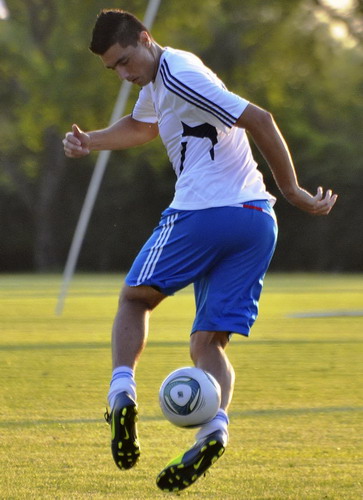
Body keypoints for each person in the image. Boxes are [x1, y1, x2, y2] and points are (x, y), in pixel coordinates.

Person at [63, 9, 337, 493]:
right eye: (114, 70)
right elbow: (144, 126)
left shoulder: (179, 71)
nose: (124, 74)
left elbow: (259, 117)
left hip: (205, 213)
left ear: (145, 39)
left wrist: (293, 190)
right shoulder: (158, 83)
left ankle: (121, 395)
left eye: (126, 61)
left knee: (134, 300)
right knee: (206, 344)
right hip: (255, 223)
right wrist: (93, 142)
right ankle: (214, 431)